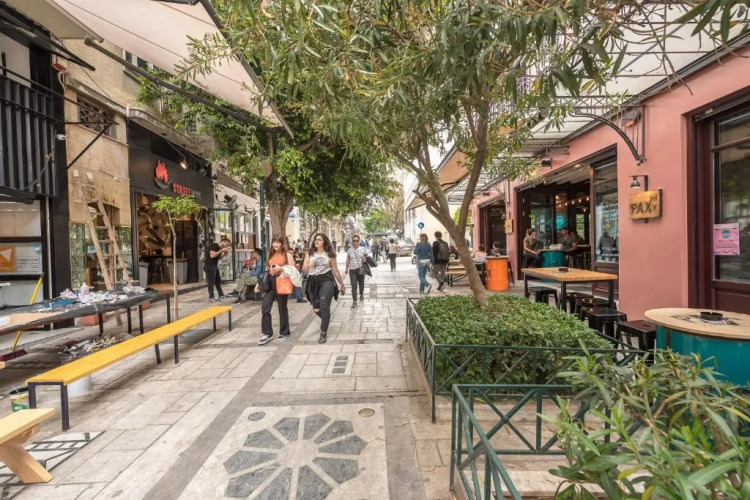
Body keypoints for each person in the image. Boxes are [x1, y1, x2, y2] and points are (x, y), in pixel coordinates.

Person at [303, 233, 346, 344]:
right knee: (316, 307)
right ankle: (325, 318)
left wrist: (341, 284)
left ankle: (323, 332)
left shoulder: (330, 254)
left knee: (324, 304)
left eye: (319, 239)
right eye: (315, 239)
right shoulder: (310, 253)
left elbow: (335, 270)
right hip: (312, 281)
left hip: (326, 280)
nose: (316, 241)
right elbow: (304, 270)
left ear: (324, 242)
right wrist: (308, 266)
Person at [258, 236, 295, 346]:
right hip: (269, 282)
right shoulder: (269, 254)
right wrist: (258, 284)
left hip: (281, 281)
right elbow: (267, 269)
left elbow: (293, 270)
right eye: (274, 242)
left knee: (282, 308)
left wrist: (281, 268)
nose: (276, 244)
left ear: (282, 243)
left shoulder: (287, 255)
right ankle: (267, 333)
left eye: (278, 242)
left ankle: (284, 332)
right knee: (265, 307)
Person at [345, 234, 369, 308]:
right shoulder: (349, 250)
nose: (355, 242)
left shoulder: (363, 249)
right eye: (354, 240)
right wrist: (346, 269)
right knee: (354, 285)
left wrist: (365, 260)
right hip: (352, 270)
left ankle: (361, 294)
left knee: (361, 283)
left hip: (360, 269)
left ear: (359, 241)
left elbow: (367, 258)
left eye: (357, 240)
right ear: (352, 241)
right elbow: (348, 260)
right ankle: (354, 301)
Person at [205, 237, 230, 302]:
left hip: (214, 266)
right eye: (227, 244)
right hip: (209, 266)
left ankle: (221, 295)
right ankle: (211, 297)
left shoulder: (219, 248)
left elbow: (218, 258)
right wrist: (221, 251)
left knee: (218, 281)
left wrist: (224, 254)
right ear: (223, 242)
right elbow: (212, 255)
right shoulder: (214, 245)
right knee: (211, 282)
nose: (227, 246)